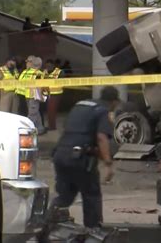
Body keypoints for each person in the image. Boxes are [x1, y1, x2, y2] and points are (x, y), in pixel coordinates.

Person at [48, 86, 120, 231]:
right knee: (91, 196)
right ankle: (94, 232)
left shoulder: (81, 105)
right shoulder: (103, 111)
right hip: (79, 158)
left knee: (65, 196)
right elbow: (101, 137)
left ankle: (46, 225)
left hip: (60, 155)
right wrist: (108, 163)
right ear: (113, 102)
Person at [25, 57, 47, 135]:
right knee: (34, 113)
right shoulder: (38, 73)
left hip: (30, 95)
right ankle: (34, 129)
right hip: (33, 96)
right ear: (40, 64)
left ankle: (34, 129)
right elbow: (40, 86)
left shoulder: (30, 72)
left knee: (34, 113)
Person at [44, 59, 64, 130]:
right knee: (49, 111)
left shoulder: (59, 72)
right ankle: (50, 126)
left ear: (53, 65)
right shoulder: (45, 72)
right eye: (47, 65)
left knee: (52, 111)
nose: (48, 67)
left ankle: (52, 127)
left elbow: (63, 82)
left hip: (56, 94)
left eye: (49, 65)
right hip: (47, 94)